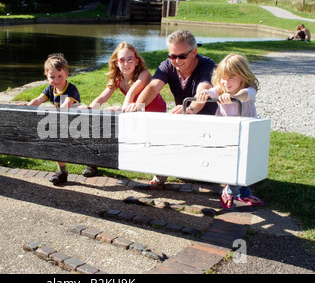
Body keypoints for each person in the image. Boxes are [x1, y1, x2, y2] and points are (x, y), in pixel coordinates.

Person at [123, 29, 217, 185]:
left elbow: (203, 91)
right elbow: (153, 87)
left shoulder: (207, 66)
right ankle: (162, 169)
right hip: (184, 117)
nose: (177, 60)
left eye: (182, 56)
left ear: (194, 52)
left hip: (206, 119)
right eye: (172, 56)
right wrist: (138, 107)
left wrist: (190, 108)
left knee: (201, 174)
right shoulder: (167, 65)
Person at [78, 41, 167, 177]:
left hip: (154, 112)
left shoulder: (144, 73)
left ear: (137, 61)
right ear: (116, 62)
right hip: (133, 110)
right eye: (122, 60)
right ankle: (93, 162)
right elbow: (103, 98)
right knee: (101, 124)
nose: (126, 63)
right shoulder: (117, 78)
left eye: (130, 59)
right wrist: (90, 108)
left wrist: (121, 109)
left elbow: (132, 92)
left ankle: (159, 170)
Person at [195, 54, 264, 208]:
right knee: (231, 161)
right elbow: (211, 92)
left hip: (245, 133)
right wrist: (204, 94)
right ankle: (230, 190)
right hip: (226, 132)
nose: (226, 83)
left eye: (231, 78)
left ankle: (241, 192)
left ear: (243, 76)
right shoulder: (221, 89)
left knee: (245, 163)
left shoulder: (248, 90)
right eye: (223, 78)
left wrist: (233, 96)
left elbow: (245, 95)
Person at [18, 53, 80, 185]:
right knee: (56, 144)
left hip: (78, 123)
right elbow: (39, 100)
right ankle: (62, 171)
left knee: (81, 147)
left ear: (66, 74)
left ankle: (92, 164)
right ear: (46, 76)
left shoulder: (71, 89)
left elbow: (65, 106)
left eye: (59, 76)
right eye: (52, 77)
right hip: (61, 124)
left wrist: (51, 109)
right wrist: (28, 106)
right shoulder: (50, 89)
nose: (56, 80)